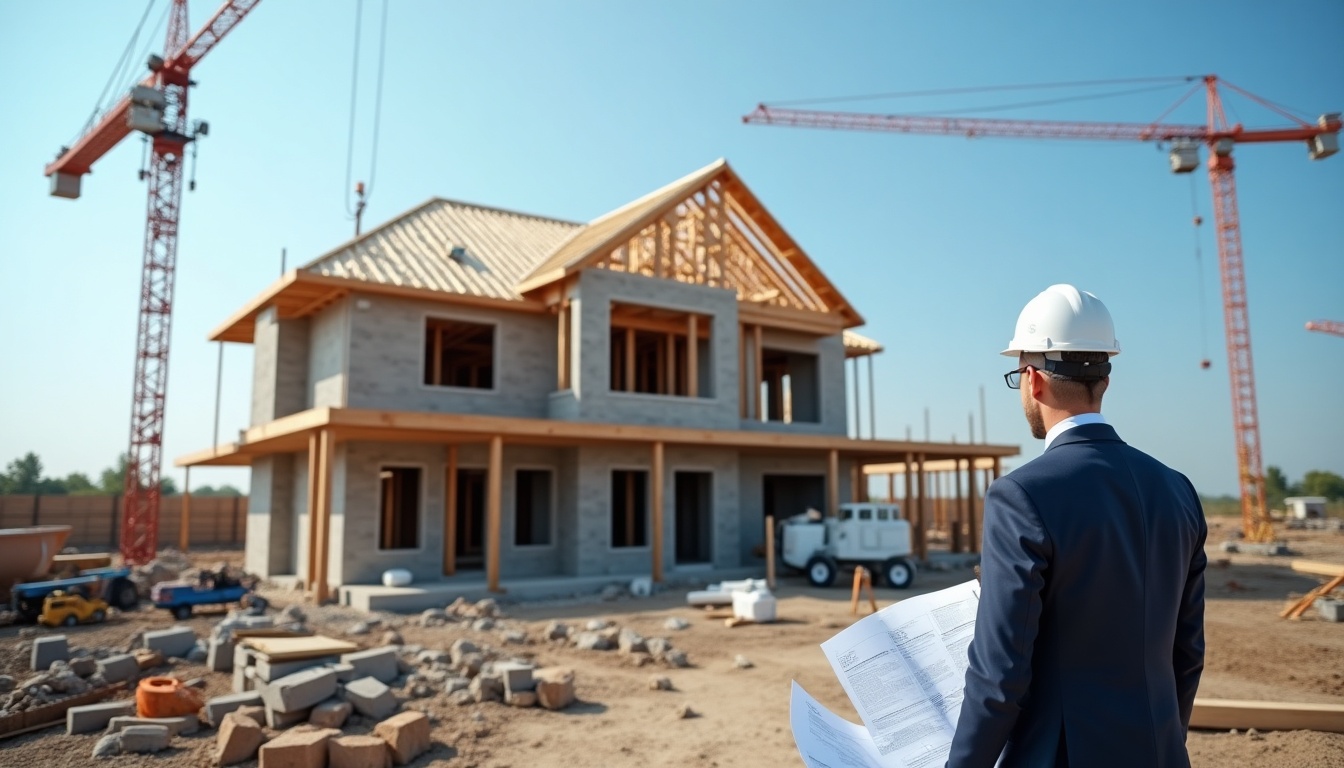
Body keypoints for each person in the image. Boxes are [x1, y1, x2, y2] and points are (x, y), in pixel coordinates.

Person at [948, 284, 1207, 768]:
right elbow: (1187, 652)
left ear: (1032, 380)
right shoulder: (1178, 490)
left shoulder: (1020, 495)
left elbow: (1000, 676)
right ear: (1105, 380)